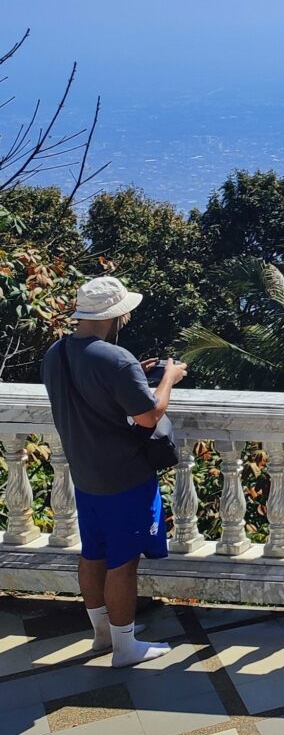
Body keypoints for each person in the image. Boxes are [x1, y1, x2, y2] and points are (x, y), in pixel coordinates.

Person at [40, 276, 189, 667]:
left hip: (85, 474)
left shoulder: (55, 353)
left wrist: (132, 374)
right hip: (124, 476)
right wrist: (169, 378)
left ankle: (102, 634)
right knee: (123, 562)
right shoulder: (115, 359)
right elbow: (148, 415)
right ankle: (126, 647)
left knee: (93, 554)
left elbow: (91, 391)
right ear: (116, 315)